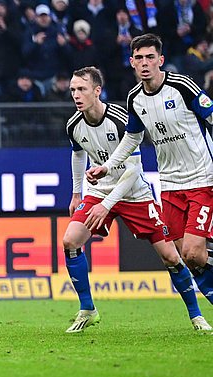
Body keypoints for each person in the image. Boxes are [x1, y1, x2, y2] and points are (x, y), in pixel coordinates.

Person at [64, 66, 211, 333]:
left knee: (171, 256)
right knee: (70, 241)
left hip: (135, 195)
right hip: (100, 193)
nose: (76, 94)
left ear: (97, 91)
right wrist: (77, 193)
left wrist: (106, 205)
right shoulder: (73, 124)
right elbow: (77, 154)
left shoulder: (120, 119)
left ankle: (196, 315)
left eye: (81, 89)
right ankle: (88, 308)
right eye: (73, 89)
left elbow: (133, 171)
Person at [87, 33, 213, 313]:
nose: (145, 63)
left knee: (194, 252)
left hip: (202, 178)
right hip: (169, 185)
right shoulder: (134, 98)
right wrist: (107, 166)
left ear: (161, 60)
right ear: (131, 62)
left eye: (150, 57)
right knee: (189, 258)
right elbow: (132, 139)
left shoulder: (182, 87)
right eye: (139, 58)